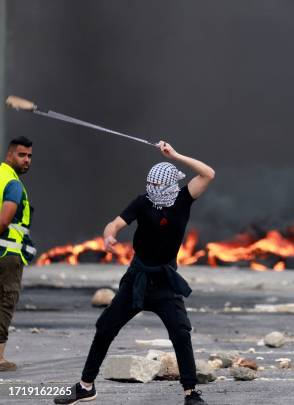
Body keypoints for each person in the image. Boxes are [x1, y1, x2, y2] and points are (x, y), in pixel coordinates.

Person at [54, 141, 215, 405]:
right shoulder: (143, 202)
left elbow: (208, 173)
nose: (150, 189)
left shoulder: (184, 199)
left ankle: (191, 392)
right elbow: (115, 223)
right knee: (105, 327)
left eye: (155, 185)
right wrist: (109, 236)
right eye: (149, 184)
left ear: (167, 184)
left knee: (180, 332)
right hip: (137, 278)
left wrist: (174, 155)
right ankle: (86, 386)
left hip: (165, 281)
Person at [0, 136, 36, 372]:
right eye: (22, 155)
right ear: (10, 154)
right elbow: (5, 219)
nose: (27, 160)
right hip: (8, 255)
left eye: (30, 156)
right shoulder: (12, 183)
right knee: (5, 301)